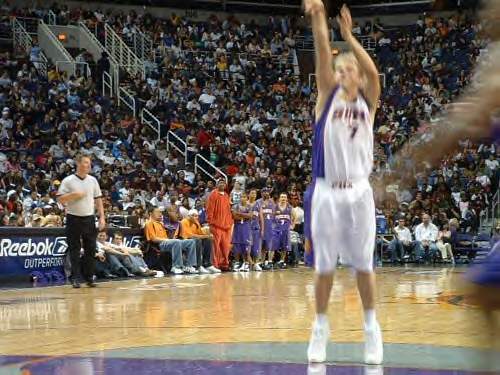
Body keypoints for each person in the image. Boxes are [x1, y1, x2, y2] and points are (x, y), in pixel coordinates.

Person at [303, 2, 382, 364]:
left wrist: (350, 37)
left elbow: (374, 74)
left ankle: (371, 329)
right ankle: (320, 328)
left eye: (352, 68)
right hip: (327, 190)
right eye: (342, 68)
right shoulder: (326, 97)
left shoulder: (369, 100)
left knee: (364, 266)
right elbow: (322, 51)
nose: (347, 72)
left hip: (360, 191)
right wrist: (319, 16)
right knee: (325, 269)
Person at [57, 154, 106, 288]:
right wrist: (73, 195)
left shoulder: (93, 180)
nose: (89, 165)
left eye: (89, 163)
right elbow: (60, 199)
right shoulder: (68, 180)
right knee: (75, 249)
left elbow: (98, 199)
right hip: (73, 218)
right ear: (78, 164)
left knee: (90, 249)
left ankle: (89, 277)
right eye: (86, 162)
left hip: (89, 218)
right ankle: (75, 278)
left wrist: (102, 217)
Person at [144, 207, 198, 275]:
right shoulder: (149, 223)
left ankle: (189, 266)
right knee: (176, 242)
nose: (160, 214)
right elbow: (153, 239)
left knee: (191, 242)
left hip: (168, 242)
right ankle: (176, 266)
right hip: (160, 244)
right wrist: (167, 240)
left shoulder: (160, 223)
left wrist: (170, 239)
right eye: (157, 212)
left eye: (160, 212)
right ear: (150, 213)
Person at [178, 209, 221, 274]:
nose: (195, 217)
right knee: (197, 240)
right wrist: (205, 236)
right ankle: (198, 265)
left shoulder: (196, 222)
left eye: (197, 216)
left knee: (208, 240)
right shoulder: (184, 222)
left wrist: (208, 235)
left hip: (192, 240)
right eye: (193, 216)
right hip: (181, 241)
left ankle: (207, 264)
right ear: (188, 216)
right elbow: (189, 236)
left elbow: (200, 234)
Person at [206, 178, 233, 271]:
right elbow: (209, 209)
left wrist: (230, 222)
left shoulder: (226, 195)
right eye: (220, 182)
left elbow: (228, 210)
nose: (222, 184)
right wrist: (210, 222)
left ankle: (224, 264)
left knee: (225, 247)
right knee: (215, 247)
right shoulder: (213, 194)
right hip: (216, 225)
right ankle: (215, 265)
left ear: (226, 185)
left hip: (226, 226)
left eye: (223, 183)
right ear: (217, 185)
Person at [271, 193, 295, 269]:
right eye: (282, 197)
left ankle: (282, 261)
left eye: (284, 197)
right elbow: (270, 217)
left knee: (285, 246)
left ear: (287, 198)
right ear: (279, 198)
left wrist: (292, 225)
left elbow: (295, 216)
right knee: (273, 246)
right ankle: (270, 261)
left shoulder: (289, 207)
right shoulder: (275, 207)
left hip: (285, 229)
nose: (283, 198)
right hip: (276, 229)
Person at [231, 191, 253, 272]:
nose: (242, 198)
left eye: (244, 197)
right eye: (241, 197)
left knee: (246, 246)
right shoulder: (235, 206)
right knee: (236, 246)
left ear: (247, 198)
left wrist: (239, 213)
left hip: (246, 228)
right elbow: (234, 216)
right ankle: (237, 263)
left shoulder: (249, 206)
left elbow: (250, 216)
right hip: (237, 228)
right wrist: (244, 215)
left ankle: (246, 263)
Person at [260, 188, 275, 270]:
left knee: (271, 245)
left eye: (267, 192)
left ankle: (270, 261)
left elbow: (275, 214)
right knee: (263, 247)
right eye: (264, 191)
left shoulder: (272, 202)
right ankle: (262, 262)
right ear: (261, 193)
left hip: (270, 226)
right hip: (262, 227)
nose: (266, 193)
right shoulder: (258, 202)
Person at [248, 189, 263, 271]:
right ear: (249, 194)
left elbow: (261, 218)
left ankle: (256, 263)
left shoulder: (258, 204)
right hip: (247, 228)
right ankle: (249, 263)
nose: (254, 194)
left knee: (256, 247)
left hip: (256, 228)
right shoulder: (245, 203)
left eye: (255, 193)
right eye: (252, 193)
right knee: (248, 247)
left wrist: (262, 229)